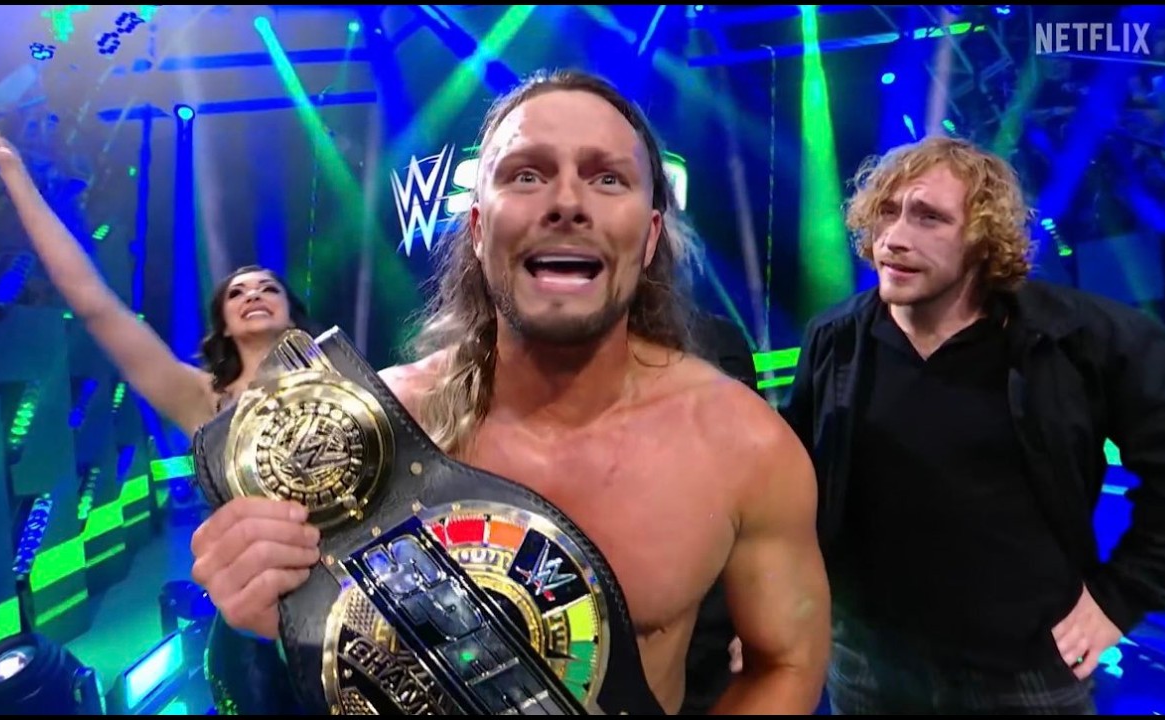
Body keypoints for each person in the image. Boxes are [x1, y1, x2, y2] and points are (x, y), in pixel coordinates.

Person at [188, 68, 832, 714]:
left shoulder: (743, 445)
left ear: (651, 236)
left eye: (608, 178)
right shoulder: (372, 438)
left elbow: (789, 659)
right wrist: (265, 625)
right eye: (526, 175)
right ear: (476, 227)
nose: (568, 202)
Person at [778, 134, 1165, 714]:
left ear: (982, 238)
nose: (894, 237)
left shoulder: (1084, 341)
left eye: (929, 217)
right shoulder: (835, 338)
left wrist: (1121, 598)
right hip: (868, 662)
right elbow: (788, 488)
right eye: (887, 213)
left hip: (1025, 669)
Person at [0, 114, 313, 438]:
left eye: (269, 289)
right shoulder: (199, 398)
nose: (253, 295)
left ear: (292, 316)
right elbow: (94, 303)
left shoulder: (340, 383)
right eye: (236, 293)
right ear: (225, 326)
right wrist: (12, 169)